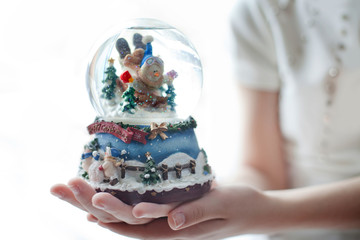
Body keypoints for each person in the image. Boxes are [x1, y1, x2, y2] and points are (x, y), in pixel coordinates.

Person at [51, 0, 360, 239]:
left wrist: (271, 212)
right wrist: (204, 203)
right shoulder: (261, 10)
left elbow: (268, 201)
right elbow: (264, 171)